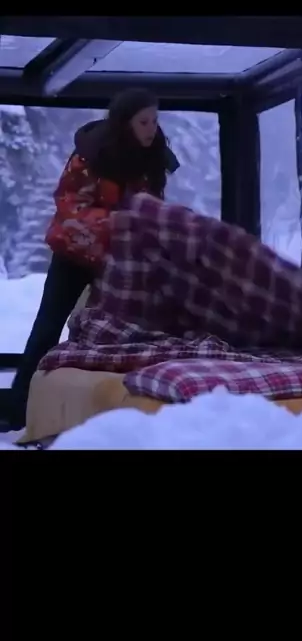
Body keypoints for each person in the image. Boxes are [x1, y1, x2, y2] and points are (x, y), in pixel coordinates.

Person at [0, 88, 179, 432]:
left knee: (108, 334)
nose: (151, 129)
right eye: (144, 122)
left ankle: (96, 411)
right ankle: (18, 407)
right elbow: (70, 205)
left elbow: (150, 207)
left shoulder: (154, 158)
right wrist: (119, 222)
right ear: (125, 123)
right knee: (47, 326)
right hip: (74, 251)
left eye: (154, 121)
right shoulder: (91, 154)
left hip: (118, 262)